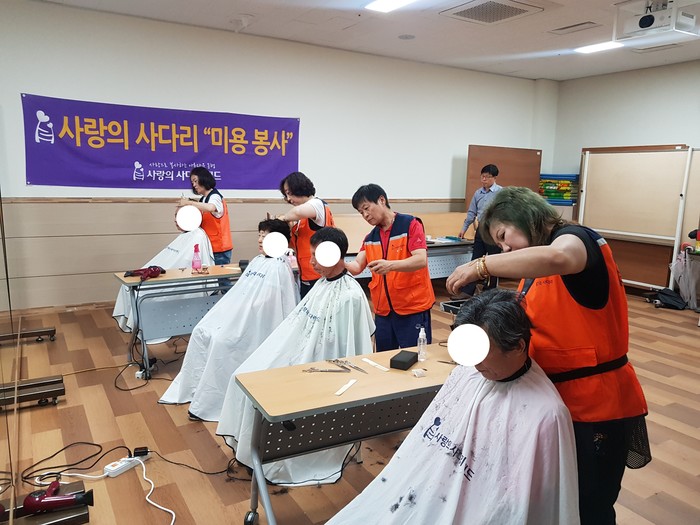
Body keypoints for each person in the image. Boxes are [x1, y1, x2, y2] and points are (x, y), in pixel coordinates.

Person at [446, 186, 651, 525]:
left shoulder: (576, 240)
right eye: (498, 245)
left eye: (503, 236)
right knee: (556, 503)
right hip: (551, 405)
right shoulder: (533, 268)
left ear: (524, 217)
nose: (504, 248)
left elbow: (559, 258)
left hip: (594, 407)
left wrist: (482, 264)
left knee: (589, 507)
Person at [327, 288, 580, 525]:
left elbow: (528, 506)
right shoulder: (467, 373)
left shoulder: (547, 415)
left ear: (518, 346)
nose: (474, 363)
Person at [216, 227, 375, 486]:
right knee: (243, 377)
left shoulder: (350, 296)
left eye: (316, 256)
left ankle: (270, 453)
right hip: (299, 354)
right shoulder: (322, 285)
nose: (311, 262)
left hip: (322, 371)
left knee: (269, 390)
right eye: (311, 255)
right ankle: (252, 450)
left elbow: (343, 350)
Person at [158, 219, 299, 422]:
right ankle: (195, 390)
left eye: (266, 235)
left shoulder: (279, 267)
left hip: (254, 325)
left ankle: (209, 402)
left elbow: (269, 305)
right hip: (238, 317)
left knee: (221, 342)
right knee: (201, 331)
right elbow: (241, 294)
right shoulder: (259, 261)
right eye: (259, 235)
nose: (260, 240)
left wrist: (239, 314)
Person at [345, 184, 434, 351]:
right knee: (383, 358)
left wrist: (390, 265)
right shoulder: (370, 238)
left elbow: (421, 259)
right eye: (361, 212)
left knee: (415, 356)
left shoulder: (410, 225)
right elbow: (357, 267)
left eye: (366, 208)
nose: (365, 215)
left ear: (381, 200)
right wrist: (337, 260)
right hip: (383, 312)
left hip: (412, 307)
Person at [112, 227, 215, 333]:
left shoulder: (197, 236)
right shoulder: (186, 236)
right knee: (128, 287)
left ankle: (148, 329)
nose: (175, 221)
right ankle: (139, 326)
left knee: (142, 293)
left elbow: (187, 261)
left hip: (184, 274)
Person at [276, 171, 334, 298]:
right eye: (286, 195)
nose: (288, 199)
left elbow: (297, 212)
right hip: (306, 275)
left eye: (289, 193)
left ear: (299, 187)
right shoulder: (302, 219)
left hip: (320, 276)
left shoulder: (317, 204)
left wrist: (283, 218)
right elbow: (296, 244)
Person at [178, 166, 233, 291]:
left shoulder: (215, 197)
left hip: (219, 249)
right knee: (213, 282)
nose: (194, 185)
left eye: (195, 181)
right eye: (192, 182)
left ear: (204, 179)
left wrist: (189, 203)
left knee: (223, 283)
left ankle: (234, 301)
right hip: (209, 247)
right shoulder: (203, 199)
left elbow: (211, 208)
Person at [454, 163, 502, 299]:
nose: (484, 180)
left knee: (493, 260)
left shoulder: (501, 193)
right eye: (482, 177)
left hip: (494, 229)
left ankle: (490, 291)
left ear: (494, 178)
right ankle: (468, 290)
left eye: (487, 177)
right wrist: (464, 228)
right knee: (475, 259)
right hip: (481, 228)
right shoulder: (478, 193)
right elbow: (471, 213)